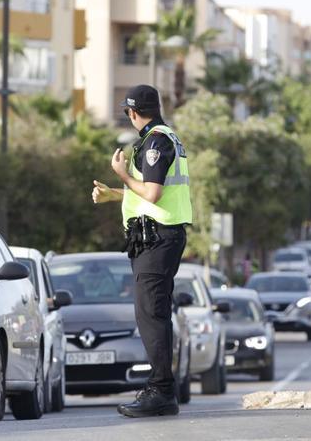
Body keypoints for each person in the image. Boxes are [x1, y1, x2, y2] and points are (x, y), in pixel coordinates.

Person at [91, 84, 192, 418]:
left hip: (158, 238)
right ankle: (161, 388)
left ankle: (161, 391)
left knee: (151, 314)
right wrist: (115, 195)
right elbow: (147, 191)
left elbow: (152, 193)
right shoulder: (161, 137)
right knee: (152, 313)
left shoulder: (156, 141)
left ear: (131, 112)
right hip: (159, 237)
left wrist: (121, 174)